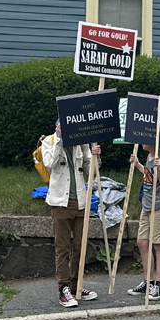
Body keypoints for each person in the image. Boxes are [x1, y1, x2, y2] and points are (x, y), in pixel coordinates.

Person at [41, 120, 100, 307]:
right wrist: (59, 139)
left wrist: (93, 154)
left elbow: (92, 171)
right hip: (60, 203)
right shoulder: (49, 142)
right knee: (63, 248)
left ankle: (77, 285)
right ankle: (63, 288)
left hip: (80, 202)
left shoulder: (80, 144)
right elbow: (49, 163)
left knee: (81, 247)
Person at [126, 144, 160, 301]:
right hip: (147, 205)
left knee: (158, 244)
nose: (142, 143)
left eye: (145, 141)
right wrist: (139, 165)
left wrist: (158, 169)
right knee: (142, 242)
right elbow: (149, 177)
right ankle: (149, 282)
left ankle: (159, 285)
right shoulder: (149, 157)